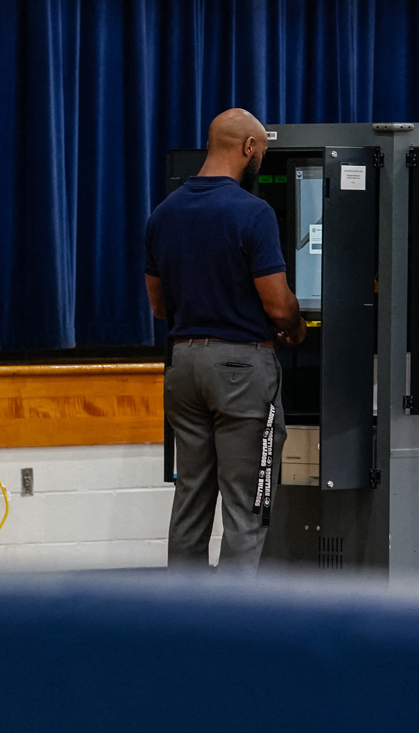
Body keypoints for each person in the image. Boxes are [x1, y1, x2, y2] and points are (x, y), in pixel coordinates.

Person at [145, 107, 307, 572]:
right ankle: (237, 627)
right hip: (241, 370)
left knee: (190, 499)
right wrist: (294, 328)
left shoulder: (164, 212)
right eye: (263, 152)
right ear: (249, 148)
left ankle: (188, 623)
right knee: (247, 506)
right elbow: (277, 304)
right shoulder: (252, 213)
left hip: (183, 367)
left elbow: (158, 306)